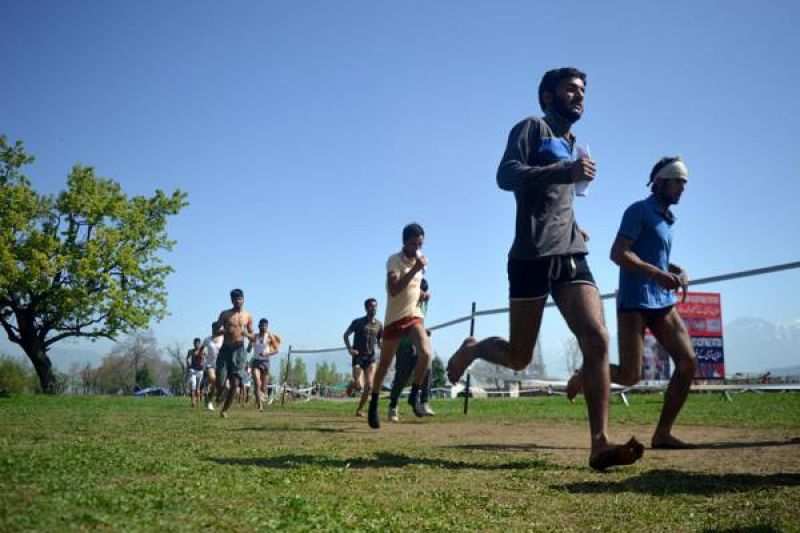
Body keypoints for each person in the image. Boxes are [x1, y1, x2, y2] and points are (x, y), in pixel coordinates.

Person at [446, 67, 644, 470]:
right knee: (519, 356)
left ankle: (599, 443)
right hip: (529, 256)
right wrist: (563, 171)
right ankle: (475, 348)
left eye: (583, 90)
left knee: (597, 337)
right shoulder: (532, 128)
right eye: (571, 89)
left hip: (570, 252)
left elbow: (557, 200)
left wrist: (574, 224)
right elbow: (506, 175)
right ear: (549, 96)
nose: (580, 96)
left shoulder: (574, 143)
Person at [567, 156, 696, 449]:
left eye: (685, 184)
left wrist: (676, 270)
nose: (682, 189)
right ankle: (586, 373)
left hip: (662, 301)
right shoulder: (639, 210)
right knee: (630, 375)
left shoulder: (667, 218)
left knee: (688, 363)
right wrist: (657, 273)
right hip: (635, 300)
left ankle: (662, 434)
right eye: (678, 182)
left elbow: (654, 256)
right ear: (660, 182)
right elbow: (618, 253)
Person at [368, 223, 433, 429]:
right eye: (413, 243)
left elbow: (412, 289)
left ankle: (414, 396)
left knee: (426, 353)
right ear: (404, 242)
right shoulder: (394, 261)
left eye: (420, 243)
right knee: (385, 365)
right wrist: (415, 268)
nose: (417, 247)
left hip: (414, 316)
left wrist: (421, 295)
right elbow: (395, 290)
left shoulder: (420, 263)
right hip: (395, 320)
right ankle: (374, 403)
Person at [388, 278, 434, 422]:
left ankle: (422, 402)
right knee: (401, 377)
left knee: (427, 366)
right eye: (421, 291)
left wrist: (423, 331)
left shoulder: (424, 303)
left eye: (425, 291)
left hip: (417, 343)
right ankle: (393, 406)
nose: (424, 294)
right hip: (403, 345)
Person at [215, 288, 255, 418]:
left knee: (236, 383)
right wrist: (225, 330)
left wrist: (246, 335)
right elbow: (215, 332)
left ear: (243, 299)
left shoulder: (247, 316)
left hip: (239, 351)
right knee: (220, 381)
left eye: (240, 299)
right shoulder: (225, 314)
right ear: (231, 300)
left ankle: (225, 410)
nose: (238, 301)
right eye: (235, 299)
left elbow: (252, 336)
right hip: (225, 350)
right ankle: (222, 391)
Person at [343, 298, 383, 417]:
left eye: (375, 306)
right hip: (358, 357)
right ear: (366, 308)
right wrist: (350, 348)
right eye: (371, 306)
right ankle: (353, 383)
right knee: (359, 385)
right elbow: (346, 335)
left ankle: (359, 409)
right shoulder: (358, 322)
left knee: (369, 385)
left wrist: (383, 348)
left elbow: (380, 341)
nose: (374, 308)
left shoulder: (379, 325)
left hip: (371, 359)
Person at [250, 318, 281, 410]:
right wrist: (249, 346)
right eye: (262, 325)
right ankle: (259, 404)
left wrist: (267, 353)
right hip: (256, 361)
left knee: (263, 388)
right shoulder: (255, 336)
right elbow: (249, 346)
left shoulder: (269, 337)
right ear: (258, 326)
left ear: (267, 327)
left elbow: (277, 350)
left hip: (265, 362)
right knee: (257, 383)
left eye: (265, 326)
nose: (263, 327)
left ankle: (258, 396)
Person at [199, 321, 223, 410]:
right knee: (213, 379)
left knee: (217, 385)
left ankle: (209, 399)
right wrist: (201, 356)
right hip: (210, 364)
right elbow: (201, 349)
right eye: (215, 329)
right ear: (212, 329)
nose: (217, 331)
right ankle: (209, 401)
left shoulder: (223, 339)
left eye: (219, 329)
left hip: (221, 365)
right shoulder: (207, 339)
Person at [185, 338, 205, 408]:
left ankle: (198, 402)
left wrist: (203, 361)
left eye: (198, 343)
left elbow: (206, 357)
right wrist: (188, 364)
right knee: (193, 386)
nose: (197, 345)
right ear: (194, 344)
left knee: (198, 388)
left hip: (200, 371)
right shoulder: (190, 351)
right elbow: (187, 358)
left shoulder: (203, 351)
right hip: (193, 370)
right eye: (195, 343)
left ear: (200, 343)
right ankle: (193, 402)